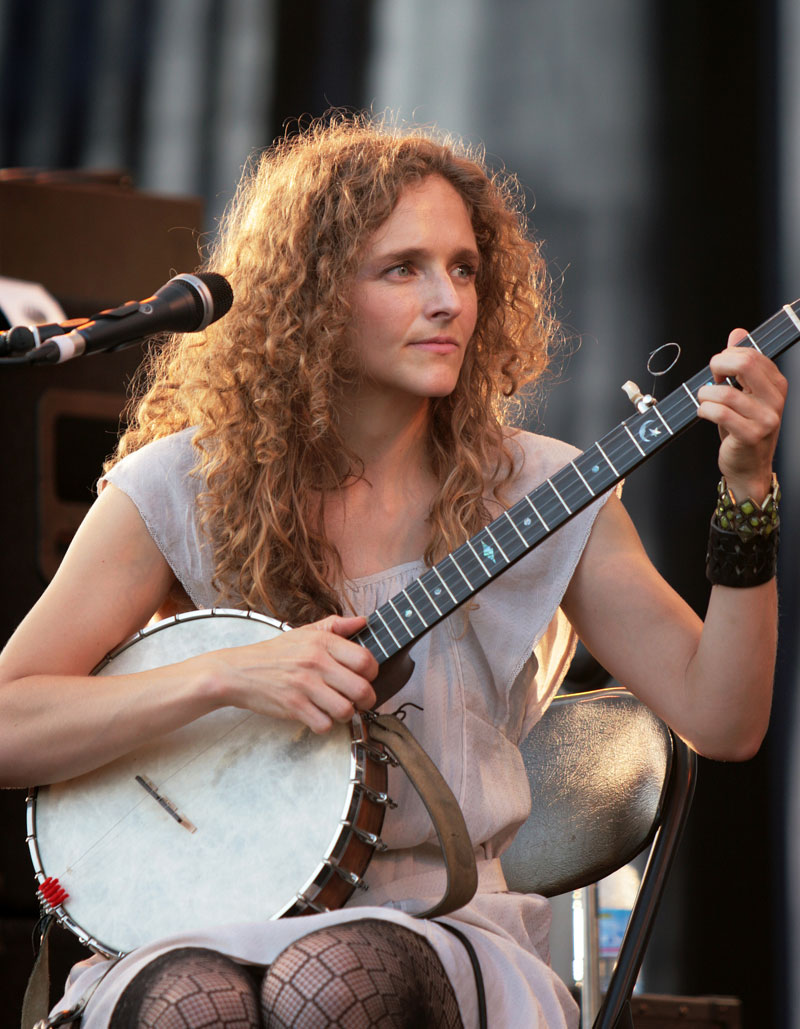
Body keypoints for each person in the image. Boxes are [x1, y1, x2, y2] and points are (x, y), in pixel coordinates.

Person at [0, 114, 786, 1029]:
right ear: (311, 296)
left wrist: (748, 490)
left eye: (463, 267)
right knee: (192, 1002)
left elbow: (724, 720)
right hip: (198, 921)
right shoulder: (180, 483)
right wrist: (225, 677)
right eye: (402, 268)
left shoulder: (541, 487)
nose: (448, 299)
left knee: (332, 979)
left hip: (443, 925)